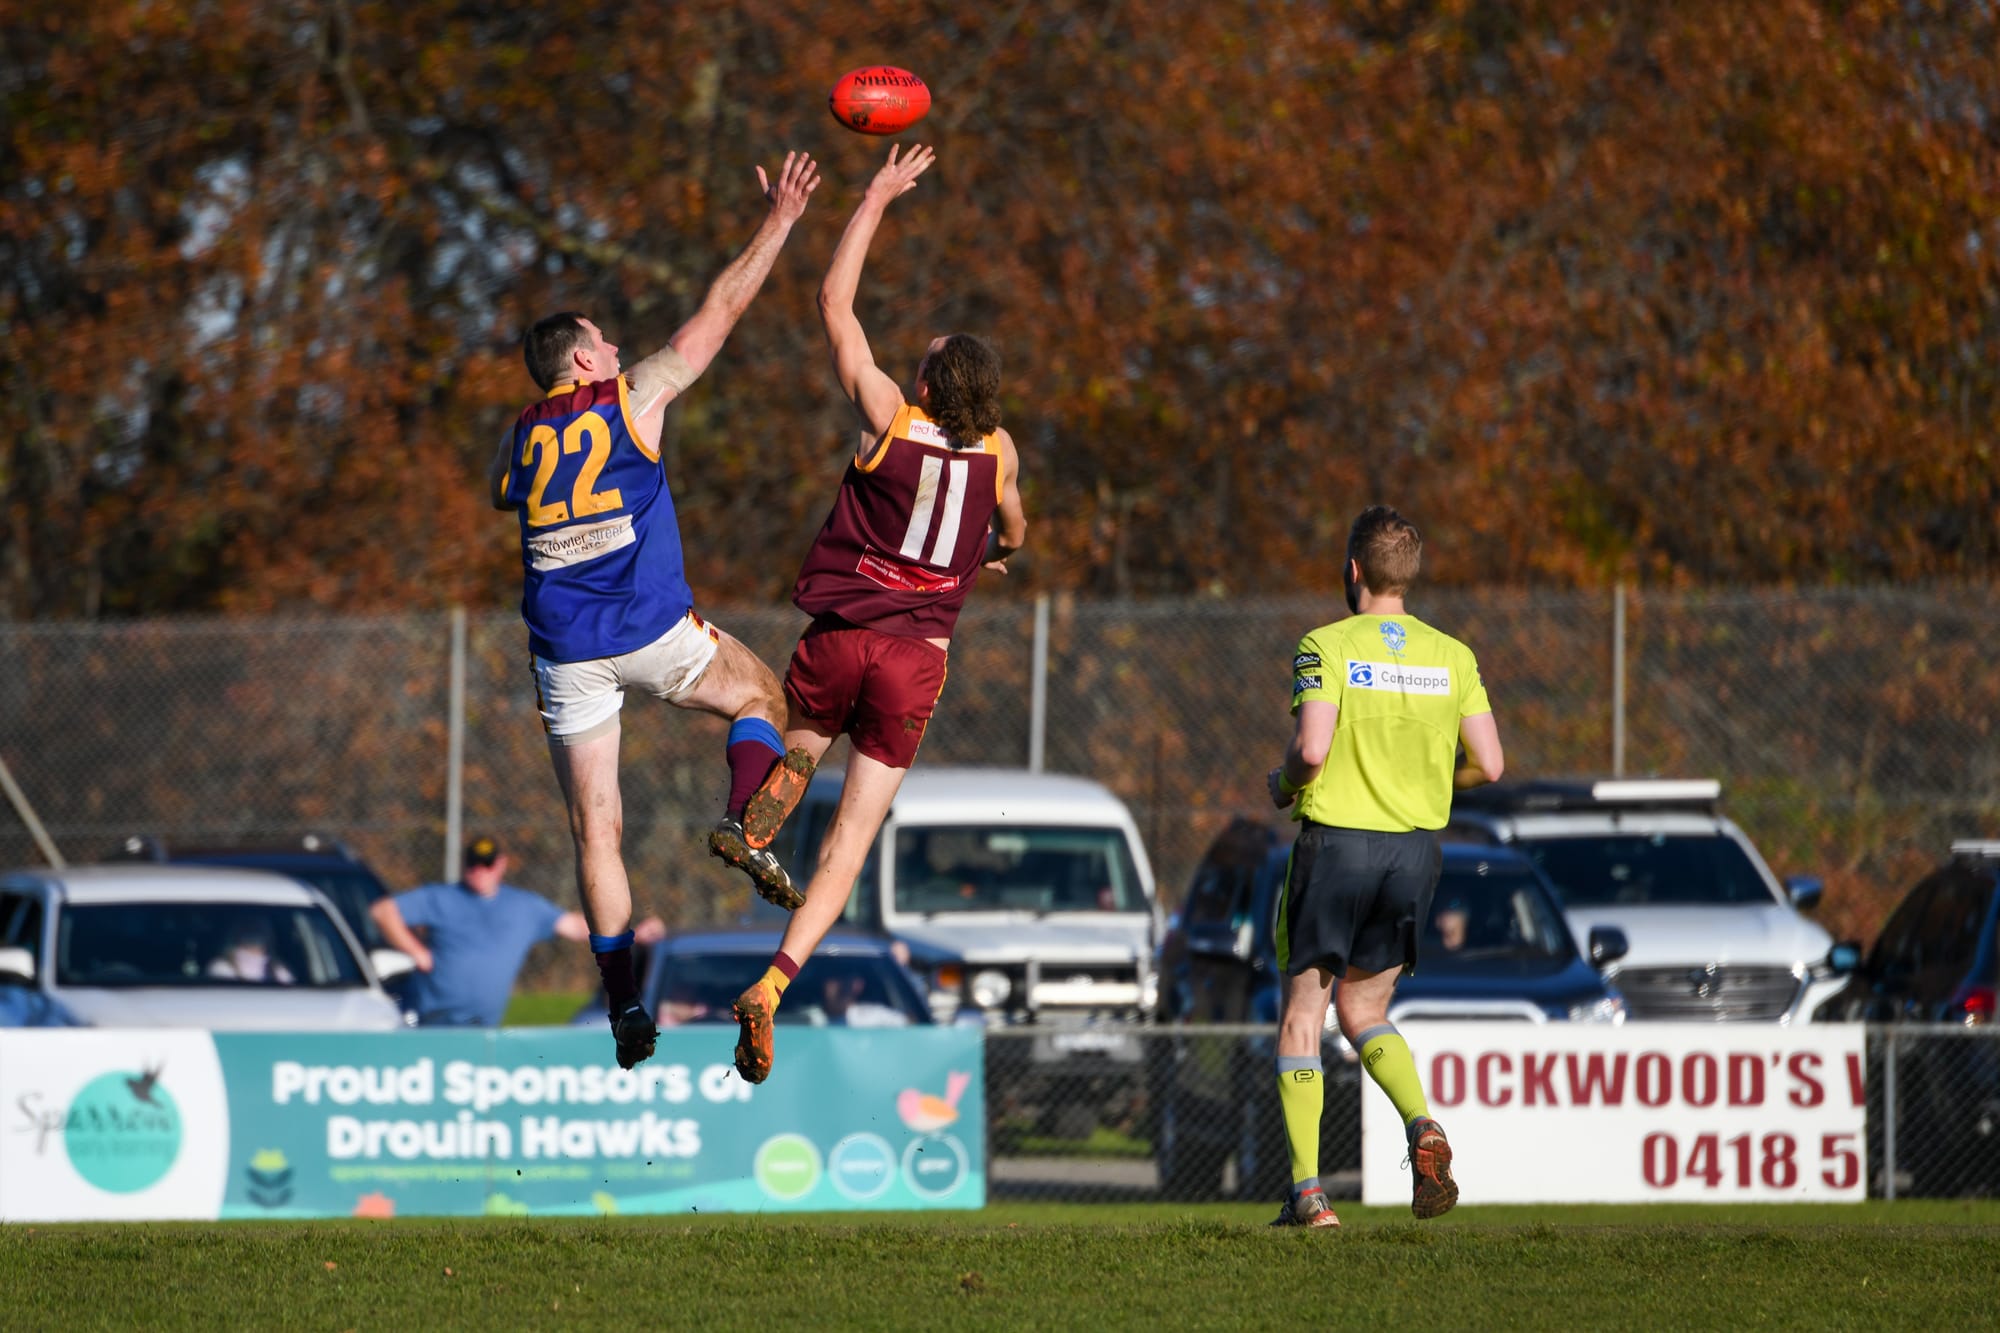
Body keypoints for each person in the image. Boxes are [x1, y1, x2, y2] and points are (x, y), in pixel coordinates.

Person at [485, 151, 821, 1069]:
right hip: (651, 629)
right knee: (764, 696)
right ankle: (746, 816)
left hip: (566, 653)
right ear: (582, 359)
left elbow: (504, 491)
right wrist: (780, 223)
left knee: (597, 831)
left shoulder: (520, 435)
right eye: (604, 342)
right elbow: (720, 311)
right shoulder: (631, 397)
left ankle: (625, 1005)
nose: (616, 350)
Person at [722, 144, 1027, 1085]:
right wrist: (997, 551)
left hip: (842, 633)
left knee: (795, 737)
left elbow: (834, 304)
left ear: (927, 386)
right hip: (916, 658)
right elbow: (1017, 528)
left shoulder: (889, 417)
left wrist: (876, 197)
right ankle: (773, 984)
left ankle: (764, 812)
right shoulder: (1001, 451)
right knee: (852, 841)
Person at [1263, 505, 1505, 1230]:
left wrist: (1282, 783)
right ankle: (1421, 1123)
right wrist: (1428, 781)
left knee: (1304, 1015)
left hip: (1338, 844)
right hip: (1414, 852)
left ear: (1354, 569)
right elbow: (1491, 764)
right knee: (1365, 1011)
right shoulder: (1453, 656)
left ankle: (1309, 1195)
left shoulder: (1326, 645)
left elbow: (1311, 750)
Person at [370, 836, 663, 1028]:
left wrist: (631, 933)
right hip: (431, 1023)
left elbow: (575, 926)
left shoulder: (523, 906)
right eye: (474, 864)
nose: (480, 871)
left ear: (501, 865)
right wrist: (417, 952)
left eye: (487, 864)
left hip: (483, 1029)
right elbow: (383, 911)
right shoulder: (441, 897)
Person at [206, 917, 295, 984]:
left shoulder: (278, 971)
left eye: (259, 932)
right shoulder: (221, 968)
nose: (254, 939)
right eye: (249, 932)